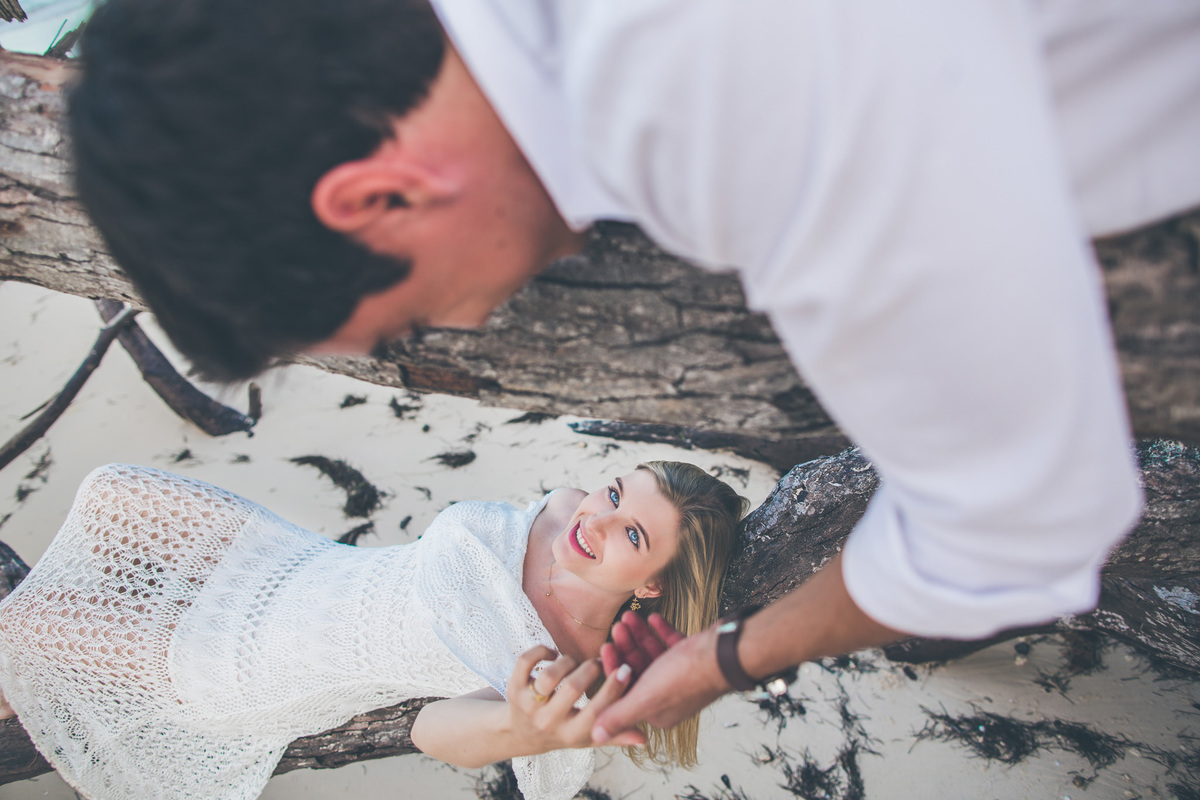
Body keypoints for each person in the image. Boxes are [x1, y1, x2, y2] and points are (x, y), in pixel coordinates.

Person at [66, 0, 1200, 748]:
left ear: (374, 196)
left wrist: (729, 656)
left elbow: (1022, 532)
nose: (440, 337)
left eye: (402, 318)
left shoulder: (761, 134)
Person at [0, 460, 748, 800]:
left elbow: (435, 731)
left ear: (650, 585)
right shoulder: (562, 510)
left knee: (29, 628)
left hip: (245, 663)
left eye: (633, 535)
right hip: (290, 563)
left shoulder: (560, 664)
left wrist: (524, 729)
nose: (599, 517)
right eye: (615, 491)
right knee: (118, 493)